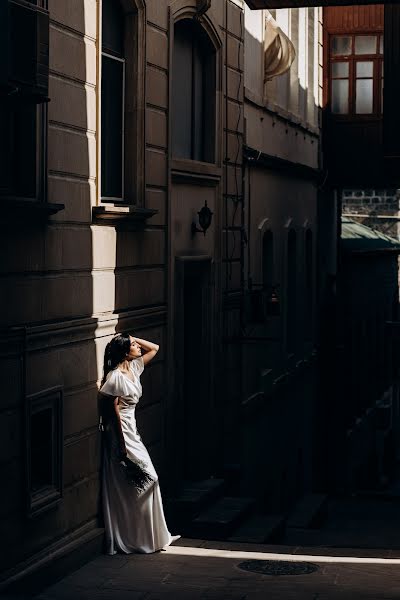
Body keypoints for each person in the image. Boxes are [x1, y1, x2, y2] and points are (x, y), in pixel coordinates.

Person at [99, 332, 179, 554]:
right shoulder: (115, 377)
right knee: (146, 480)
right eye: (134, 345)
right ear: (125, 352)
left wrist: (131, 337)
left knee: (147, 480)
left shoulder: (133, 368)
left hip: (132, 429)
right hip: (121, 431)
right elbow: (113, 412)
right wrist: (122, 444)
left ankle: (147, 535)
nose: (138, 347)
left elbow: (154, 347)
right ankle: (132, 535)